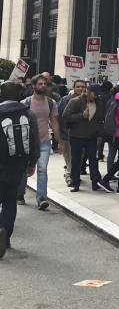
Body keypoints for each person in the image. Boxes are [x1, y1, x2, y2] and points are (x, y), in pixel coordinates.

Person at [0, 81, 40, 258]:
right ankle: (5, 235)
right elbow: (35, 139)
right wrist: (32, 163)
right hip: (17, 164)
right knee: (9, 201)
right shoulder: (28, 113)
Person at [17, 75, 62, 211]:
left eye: (45, 84)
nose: (43, 86)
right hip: (27, 143)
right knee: (24, 170)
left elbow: (54, 122)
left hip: (44, 142)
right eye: (40, 83)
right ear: (34, 86)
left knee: (42, 170)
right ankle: (20, 194)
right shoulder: (25, 103)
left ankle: (42, 198)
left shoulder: (51, 103)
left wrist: (59, 141)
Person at [62, 81, 105, 192]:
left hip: (92, 136)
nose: (96, 96)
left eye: (97, 95)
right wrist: (81, 115)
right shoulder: (75, 101)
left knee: (93, 160)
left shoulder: (99, 103)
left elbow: (100, 121)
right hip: (76, 136)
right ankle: (75, 183)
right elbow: (66, 116)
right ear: (88, 92)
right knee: (76, 160)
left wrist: (100, 135)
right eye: (94, 94)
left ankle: (95, 182)